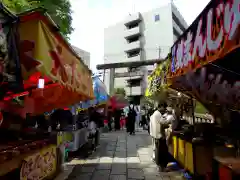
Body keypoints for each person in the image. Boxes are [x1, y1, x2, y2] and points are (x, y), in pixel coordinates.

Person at [149, 103, 171, 171]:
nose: (164, 109)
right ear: (160, 107)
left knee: (159, 152)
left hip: (155, 135)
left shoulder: (154, 114)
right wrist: (170, 118)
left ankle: (161, 167)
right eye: (164, 107)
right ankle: (162, 168)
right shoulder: (158, 114)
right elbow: (164, 123)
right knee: (163, 152)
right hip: (160, 136)